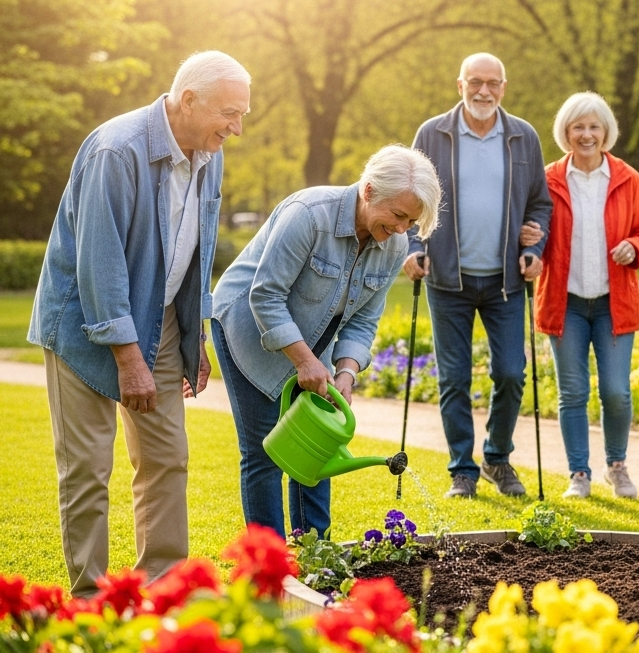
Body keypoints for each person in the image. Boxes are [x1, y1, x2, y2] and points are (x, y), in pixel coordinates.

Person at [29, 51, 248, 596]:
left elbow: (197, 249)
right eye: (229, 112)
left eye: (242, 114)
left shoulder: (209, 151)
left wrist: (195, 330)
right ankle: (90, 599)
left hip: (165, 317)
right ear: (188, 100)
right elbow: (98, 263)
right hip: (85, 323)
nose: (237, 128)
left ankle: (165, 586)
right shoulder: (116, 149)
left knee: (167, 457)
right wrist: (129, 359)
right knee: (87, 469)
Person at [210, 146, 441, 538]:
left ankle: (316, 552)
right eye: (398, 215)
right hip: (248, 326)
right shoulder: (309, 215)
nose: (403, 229)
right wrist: (303, 361)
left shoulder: (395, 244)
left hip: (316, 338)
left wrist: (346, 372)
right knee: (265, 452)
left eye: (412, 220)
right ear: (369, 191)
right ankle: (271, 569)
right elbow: (264, 296)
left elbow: (365, 317)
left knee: (318, 442)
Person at [403, 53, 552, 499]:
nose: (483, 91)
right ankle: (462, 471)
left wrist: (533, 246)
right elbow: (409, 196)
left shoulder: (523, 136)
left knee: (511, 373)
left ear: (503, 87)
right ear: (460, 84)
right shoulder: (433, 133)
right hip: (448, 279)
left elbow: (539, 204)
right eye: (475, 82)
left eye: (492, 83)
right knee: (454, 378)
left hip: (505, 280)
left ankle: (497, 458)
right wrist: (414, 246)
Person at [533, 93, 639, 499]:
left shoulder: (627, 178)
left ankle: (617, 466)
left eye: (594, 127)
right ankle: (579, 474)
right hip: (564, 302)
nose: (586, 135)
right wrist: (528, 241)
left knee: (616, 392)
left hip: (613, 303)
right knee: (572, 392)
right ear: (565, 133)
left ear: (606, 132)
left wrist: (636, 248)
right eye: (578, 127)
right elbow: (532, 226)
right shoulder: (548, 179)